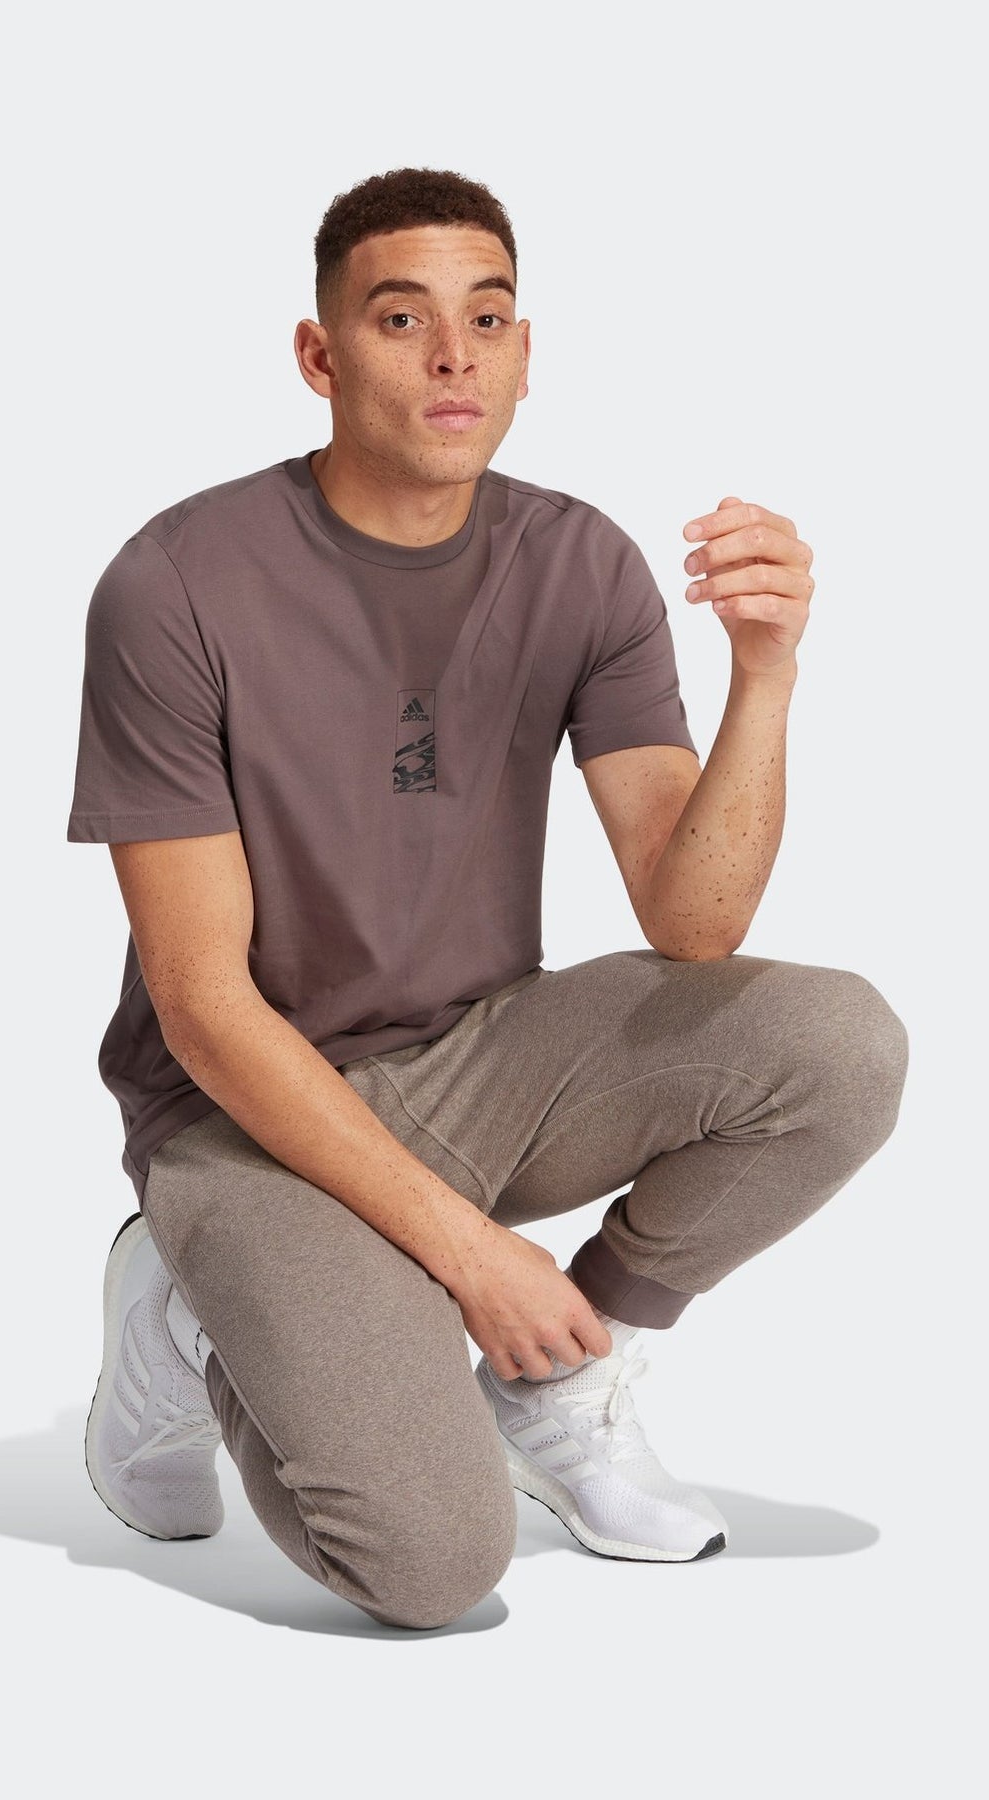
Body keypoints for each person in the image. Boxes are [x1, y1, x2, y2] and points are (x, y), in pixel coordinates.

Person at [66, 167, 908, 1630]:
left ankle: (561, 1394)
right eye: (402, 319)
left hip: (474, 1067)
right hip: (243, 1117)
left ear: (526, 354)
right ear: (322, 356)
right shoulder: (176, 583)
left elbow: (694, 926)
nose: (454, 355)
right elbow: (201, 1007)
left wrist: (765, 673)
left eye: (489, 318)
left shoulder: (577, 561)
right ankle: (185, 1317)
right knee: (430, 1568)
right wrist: (473, 1258)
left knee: (836, 1046)